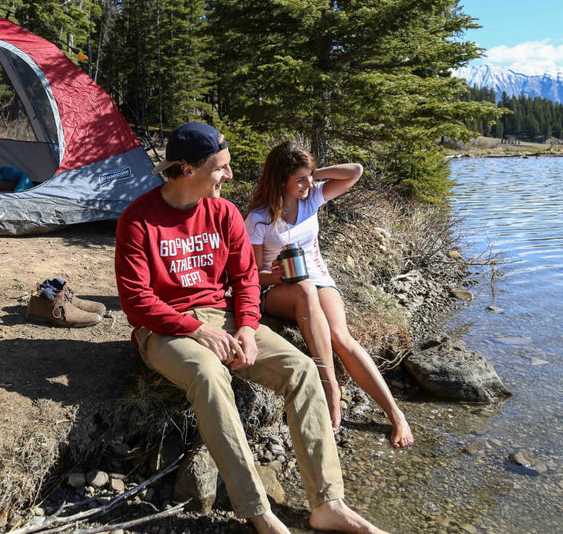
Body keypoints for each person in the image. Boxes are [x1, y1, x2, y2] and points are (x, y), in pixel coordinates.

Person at [115, 122, 390, 534]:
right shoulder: (139, 220)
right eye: (221, 167)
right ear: (187, 170)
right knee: (208, 375)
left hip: (223, 316)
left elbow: (246, 280)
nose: (228, 175)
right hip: (163, 329)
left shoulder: (223, 212)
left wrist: (246, 327)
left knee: (301, 369)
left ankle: (328, 503)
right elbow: (137, 302)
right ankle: (258, 511)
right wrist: (196, 330)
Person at [245, 142, 414, 448]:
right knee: (305, 288)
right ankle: (330, 386)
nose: (308, 185)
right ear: (280, 180)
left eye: (308, 178)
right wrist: (277, 275)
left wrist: (310, 174)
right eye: (299, 180)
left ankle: (395, 413)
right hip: (277, 288)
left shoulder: (311, 199)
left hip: (320, 280)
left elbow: (355, 172)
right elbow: (252, 273)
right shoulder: (259, 218)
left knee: (341, 335)